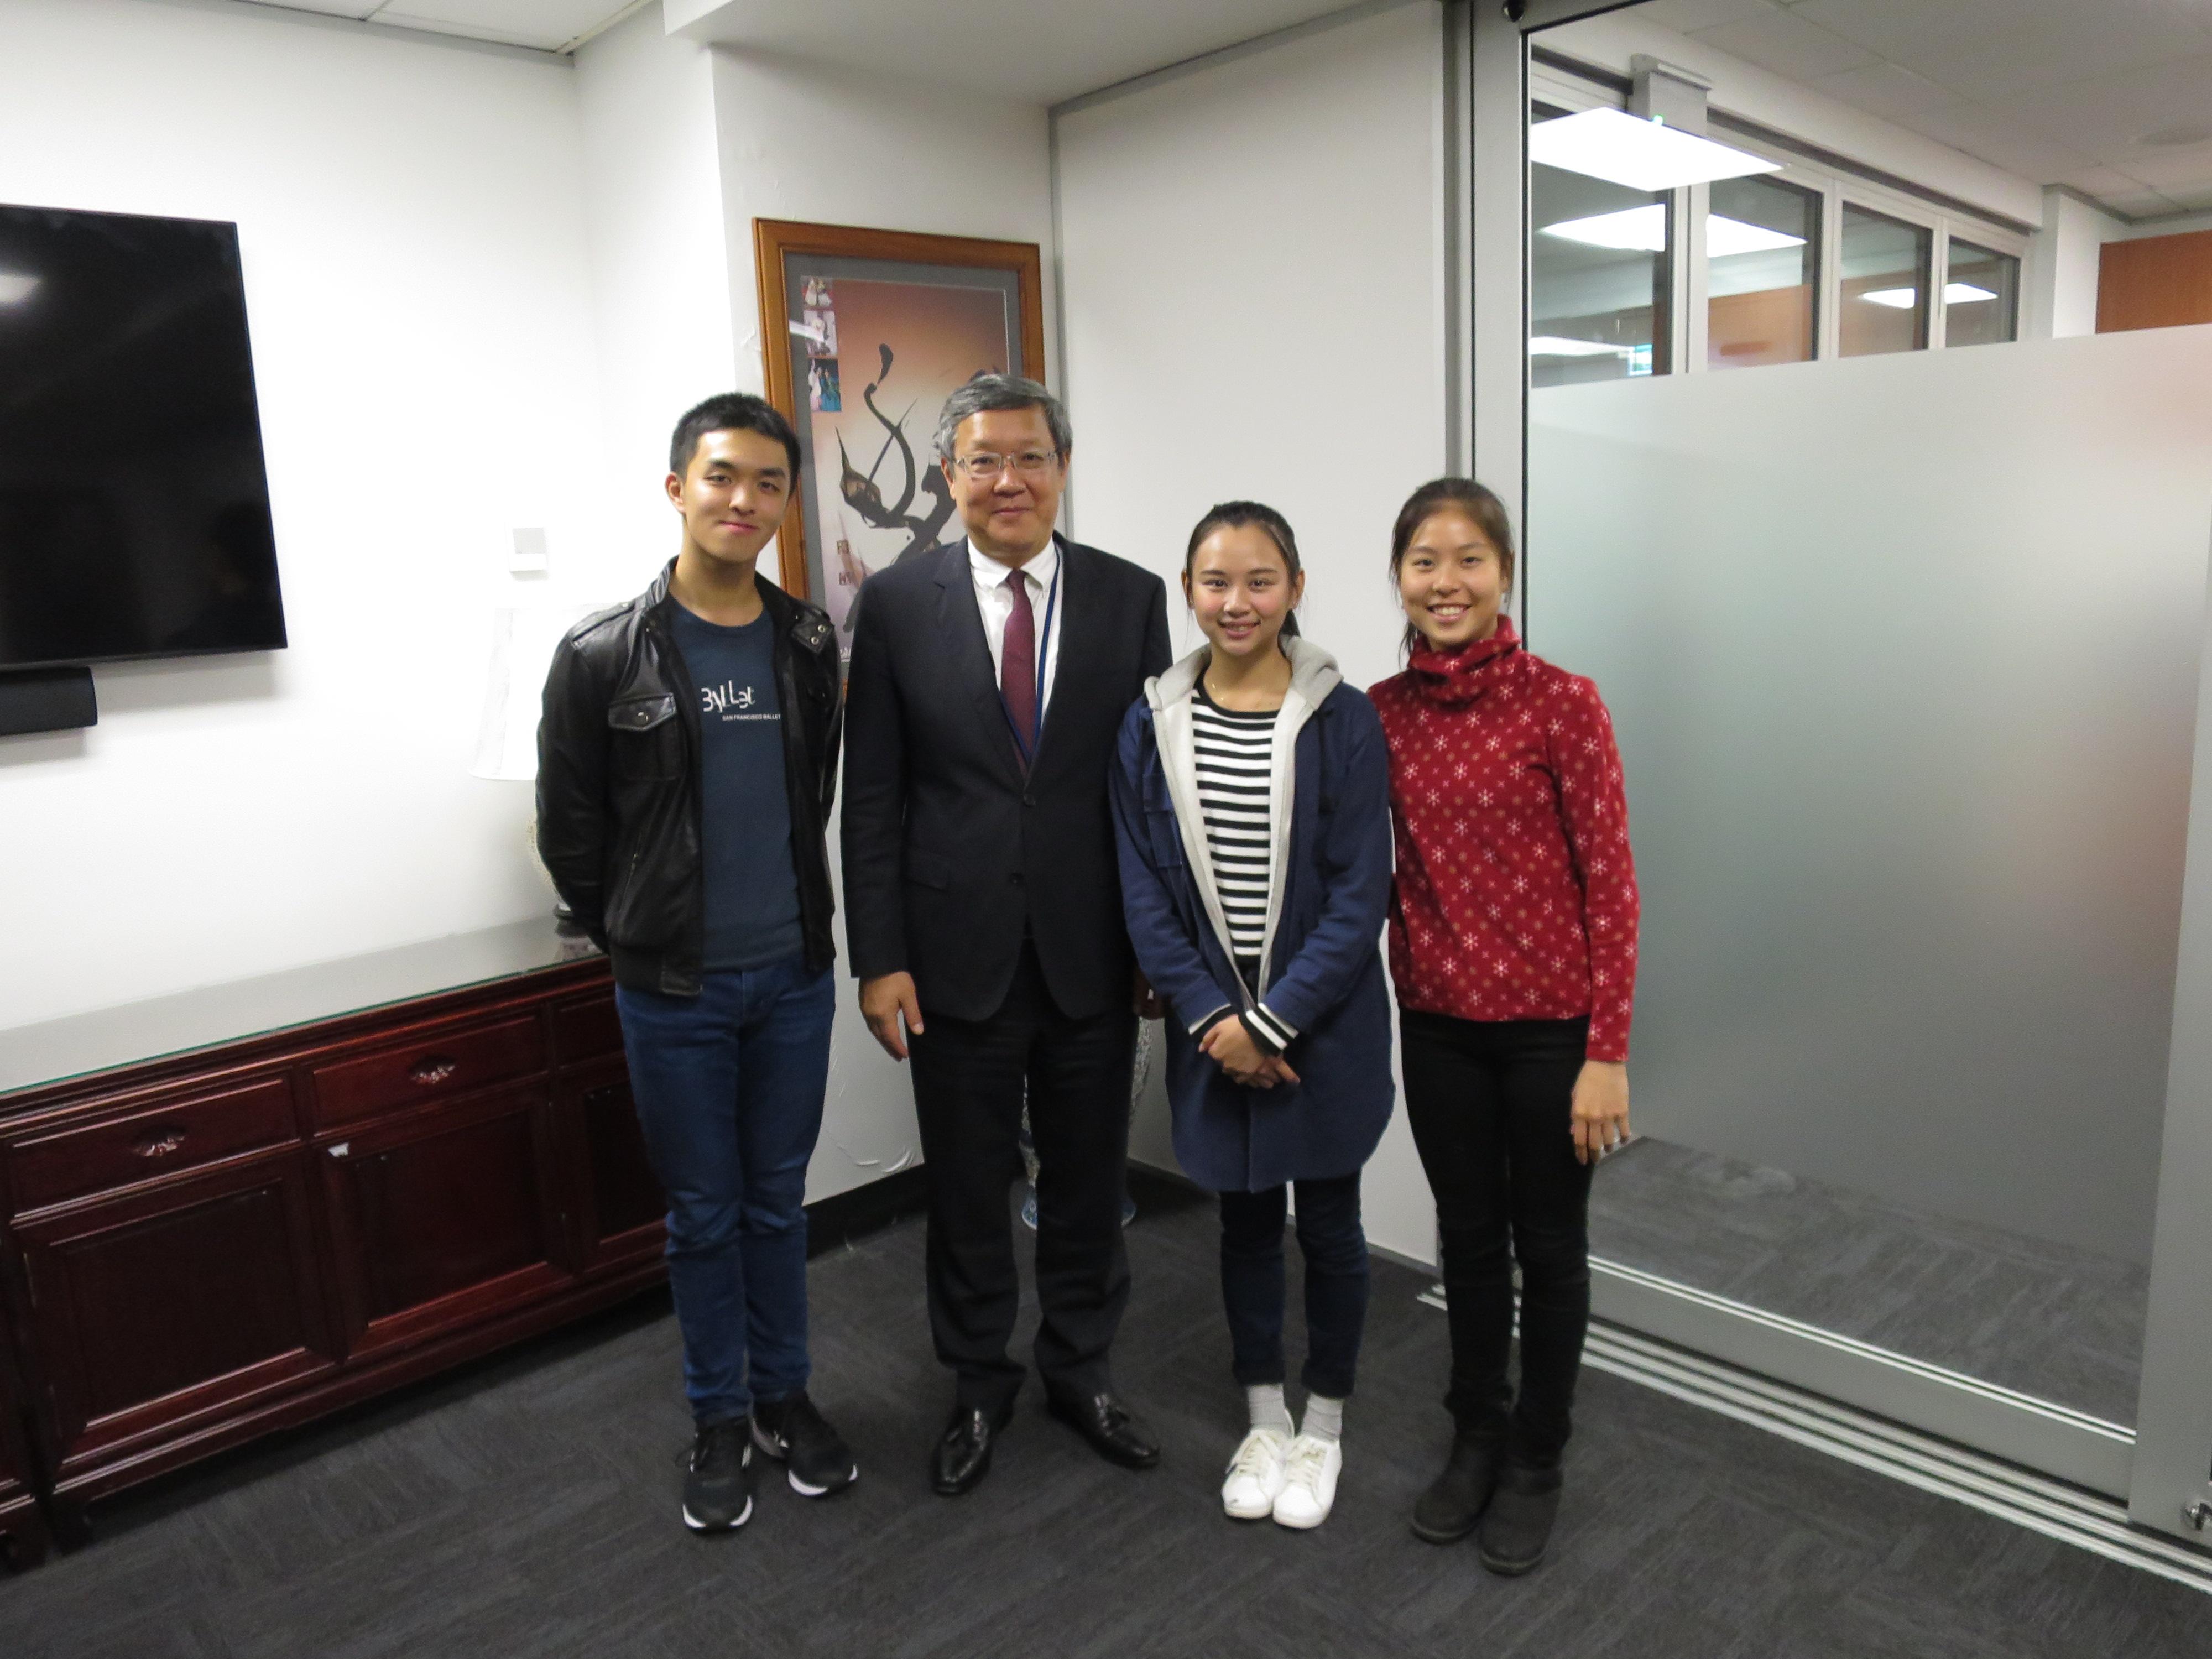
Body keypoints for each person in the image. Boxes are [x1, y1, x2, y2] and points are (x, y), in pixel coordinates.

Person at [841, 373, 1172, 1496]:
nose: (1007, 480)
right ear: (948, 476)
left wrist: (1159, 949)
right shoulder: (894, 605)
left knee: (1087, 1185)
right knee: (968, 1189)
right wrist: (876, 957)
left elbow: (1149, 790)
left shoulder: (1129, 601)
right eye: (982, 460)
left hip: (1092, 953)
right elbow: (872, 793)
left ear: (1061, 468)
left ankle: (1079, 1369)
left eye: (1029, 457)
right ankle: (978, 1379)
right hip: (949, 957)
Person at [536, 392, 854, 1535]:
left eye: (769, 483)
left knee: (776, 1204)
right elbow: (569, 831)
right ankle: (716, 1413)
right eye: (723, 477)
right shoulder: (600, 652)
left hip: (792, 978)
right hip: (670, 989)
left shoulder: (808, 640)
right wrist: (627, 932)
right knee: (703, 1214)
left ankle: (783, 1396)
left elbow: (809, 798)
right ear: (679, 488)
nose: (746, 501)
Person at [1368, 477, 1639, 1576]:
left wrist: (1606, 1053)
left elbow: (1610, 882)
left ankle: (1536, 1456)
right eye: (1425, 560)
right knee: (1468, 1242)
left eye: (1467, 559)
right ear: (1399, 576)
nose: (1446, 581)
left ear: (1503, 574)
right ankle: (1474, 1433)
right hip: (1435, 1027)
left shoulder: (1561, 703)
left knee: (1549, 1246)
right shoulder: (1377, 715)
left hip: (1548, 1034)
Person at [1110, 503, 1394, 1530]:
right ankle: (1263, 1417)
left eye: (1260, 580)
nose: (1238, 602)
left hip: (1321, 1028)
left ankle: (1324, 1423)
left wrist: (1270, 1026)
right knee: (1241, 1225)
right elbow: (1143, 888)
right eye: (1217, 582)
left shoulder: (1344, 717)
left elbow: (1361, 894)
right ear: (1188, 590)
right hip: (1208, 1030)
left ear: (1296, 586)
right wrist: (1213, 1022)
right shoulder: (1149, 722)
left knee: (1330, 1227)